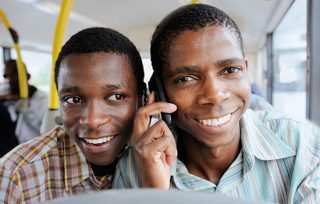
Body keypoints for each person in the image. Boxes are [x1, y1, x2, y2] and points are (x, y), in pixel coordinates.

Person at [114, 4, 320, 203]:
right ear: (159, 92)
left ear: (245, 71)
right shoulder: (135, 167)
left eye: (230, 70)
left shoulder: (303, 145)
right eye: (185, 78)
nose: (215, 95)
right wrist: (153, 196)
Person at [0, 27, 145, 203]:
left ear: (143, 99)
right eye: (73, 100)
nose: (92, 121)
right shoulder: (15, 178)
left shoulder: (171, 161)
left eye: (116, 97)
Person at [1, 59, 48, 143]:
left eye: (15, 74)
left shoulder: (42, 100)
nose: (9, 80)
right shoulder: (6, 96)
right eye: (6, 76)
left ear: (28, 76)